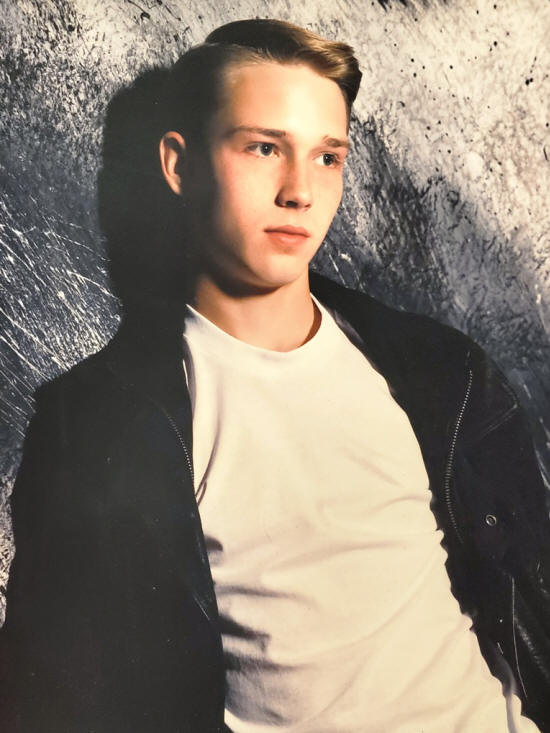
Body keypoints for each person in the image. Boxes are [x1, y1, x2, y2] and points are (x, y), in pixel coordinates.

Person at [1, 18, 549, 733]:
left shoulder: (442, 372)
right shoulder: (100, 428)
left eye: (327, 157)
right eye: (264, 147)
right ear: (180, 165)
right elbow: (59, 695)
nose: (300, 191)